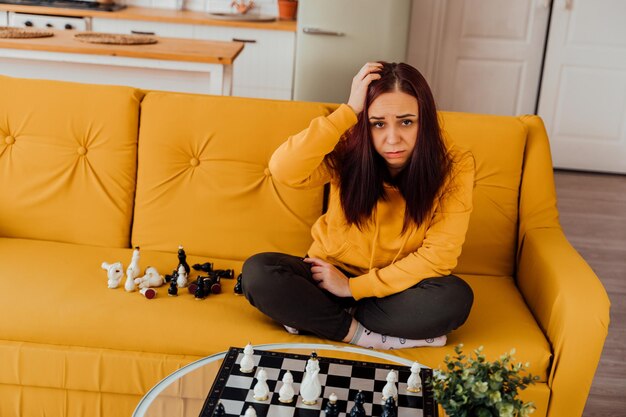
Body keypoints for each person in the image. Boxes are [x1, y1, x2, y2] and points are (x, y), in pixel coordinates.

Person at [242, 62, 475, 350]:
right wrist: (347, 112)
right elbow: (284, 169)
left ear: (424, 120)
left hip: (396, 289)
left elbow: (439, 257)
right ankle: (363, 336)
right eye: (378, 123)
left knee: (454, 298)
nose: (393, 139)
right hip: (327, 277)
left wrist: (353, 289)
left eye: (406, 122)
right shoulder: (348, 147)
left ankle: (317, 318)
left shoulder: (455, 164)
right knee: (258, 273)